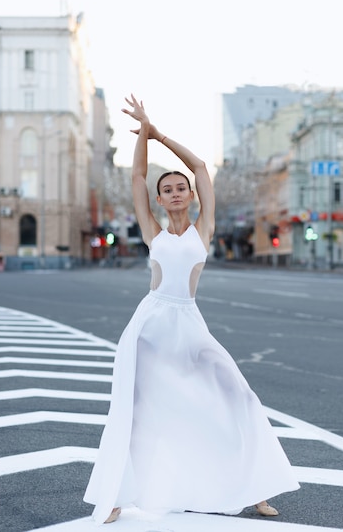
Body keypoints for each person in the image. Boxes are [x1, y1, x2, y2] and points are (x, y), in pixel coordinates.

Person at [83, 94, 300, 525]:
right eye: (169, 190)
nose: (177, 191)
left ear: (190, 195)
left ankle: (254, 489)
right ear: (160, 201)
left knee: (239, 397)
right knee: (134, 410)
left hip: (189, 323)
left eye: (181, 187)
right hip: (149, 327)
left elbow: (201, 167)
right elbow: (139, 175)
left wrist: (159, 132)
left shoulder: (204, 229)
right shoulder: (153, 232)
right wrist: (142, 134)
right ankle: (113, 498)